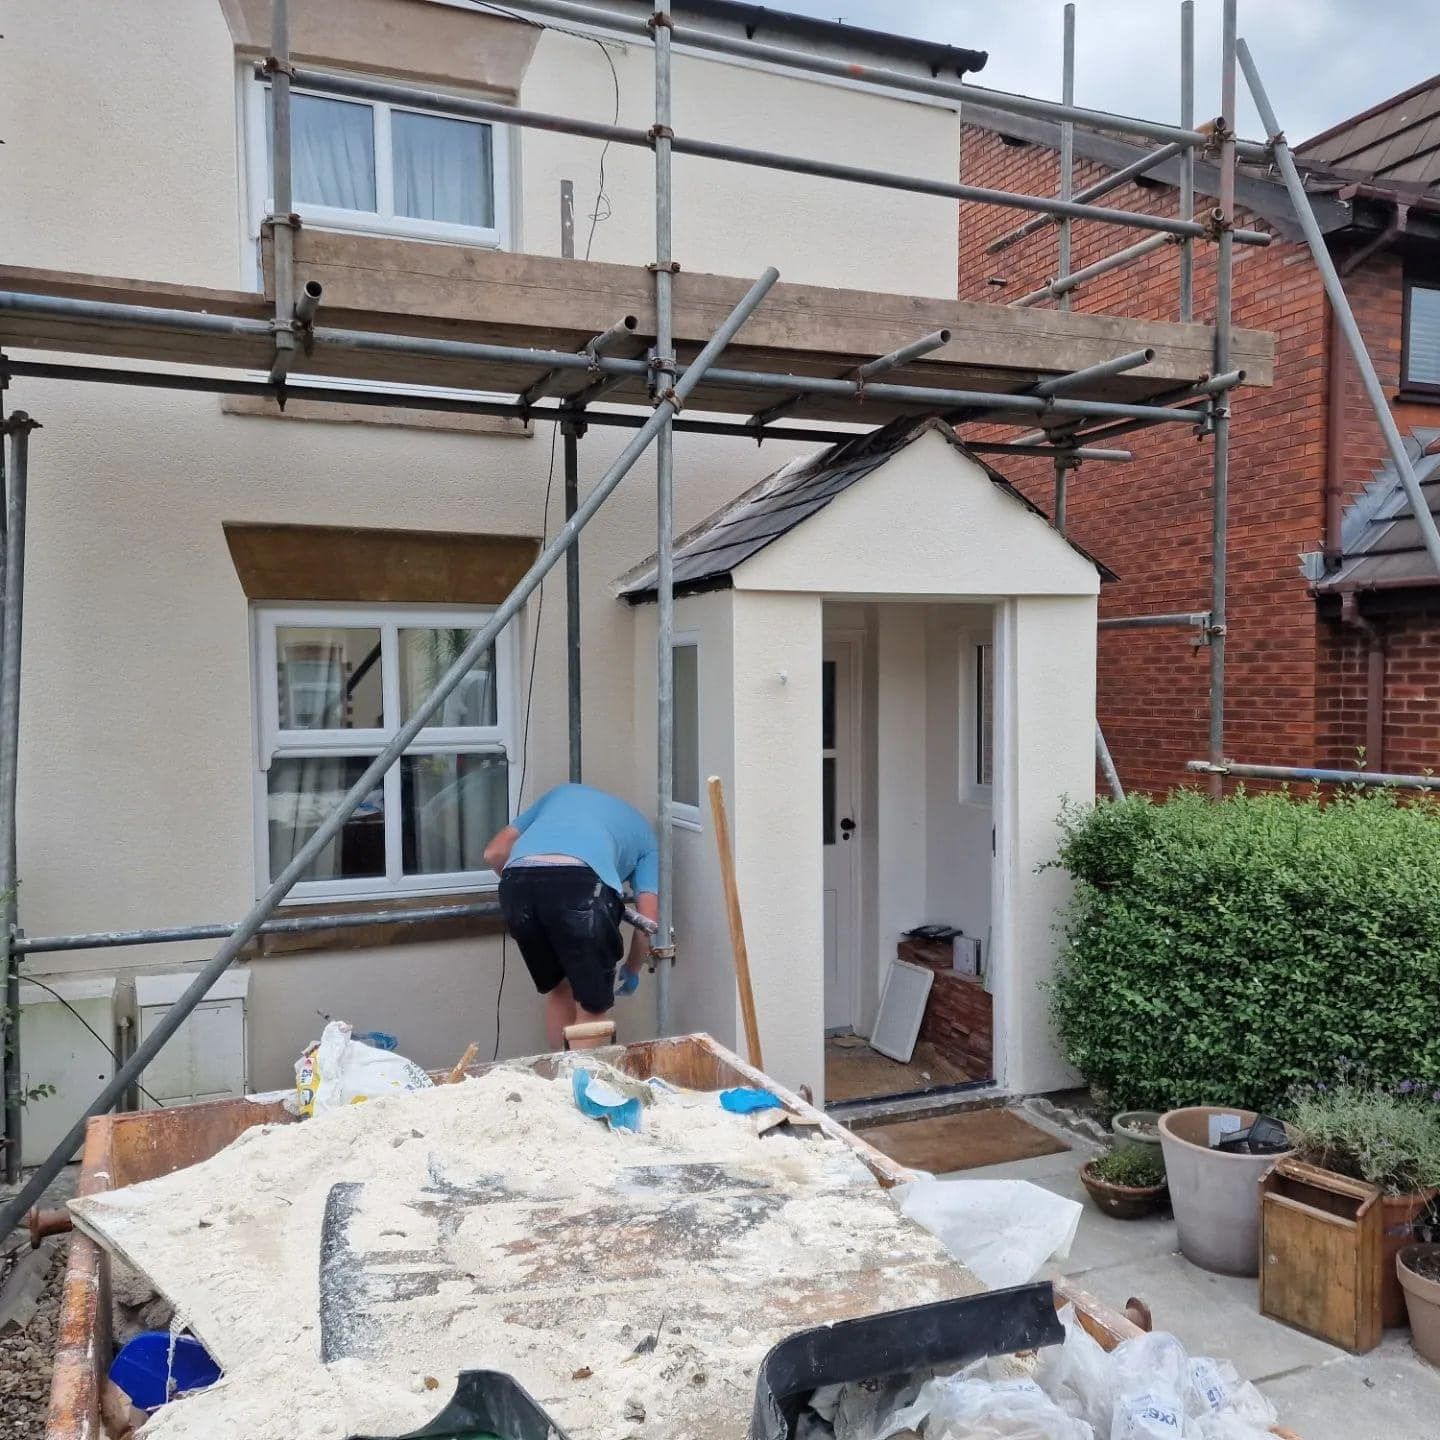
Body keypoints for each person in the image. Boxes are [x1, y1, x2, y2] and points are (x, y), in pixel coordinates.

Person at [485, 783, 659, 1050]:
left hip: (516, 883)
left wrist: (532, 888)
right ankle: (582, 1088)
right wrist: (633, 968)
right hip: (582, 886)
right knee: (592, 1008)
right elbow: (647, 924)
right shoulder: (646, 838)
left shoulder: (560, 794)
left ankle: (563, 1082)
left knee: (560, 988)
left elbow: (494, 853)